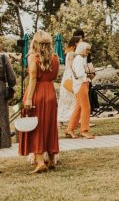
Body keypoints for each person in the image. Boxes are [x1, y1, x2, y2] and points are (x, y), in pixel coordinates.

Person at [18, 31, 60, 172]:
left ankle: (40, 162)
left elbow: (33, 78)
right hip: (50, 93)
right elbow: (54, 76)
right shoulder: (56, 58)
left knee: (37, 127)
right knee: (50, 125)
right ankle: (53, 159)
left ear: (35, 43)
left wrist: (29, 98)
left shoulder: (32, 58)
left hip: (37, 93)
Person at [66, 42, 95, 139]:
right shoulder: (79, 59)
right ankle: (84, 130)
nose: (88, 52)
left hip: (82, 85)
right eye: (87, 50)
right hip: (81, 85)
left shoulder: (79, 59)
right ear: (82, 49)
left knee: (78, 108)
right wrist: (88, 74)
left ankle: (70, 129)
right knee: (86, 108)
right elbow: (79, 74)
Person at [57, 35, 80, 127]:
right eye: (79, 42)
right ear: (75, 43)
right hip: (71, 76)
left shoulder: (68, 52)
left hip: (66, 76)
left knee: (65, 98)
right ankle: (72, 119)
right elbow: (72, 67)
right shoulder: (73, 54)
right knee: (72, 98)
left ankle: (61, 119)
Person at [0, 48, 18, 149]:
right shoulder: (3, 57)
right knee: (2, 117)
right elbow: (12, 79)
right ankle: (4, 143)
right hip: (1, 90)